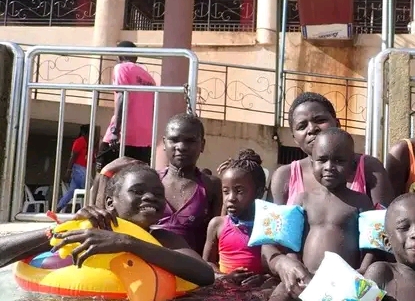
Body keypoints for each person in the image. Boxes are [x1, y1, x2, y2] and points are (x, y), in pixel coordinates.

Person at [0, 163, 214, 287]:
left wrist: (127, 242)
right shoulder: (89, 230)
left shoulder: (164, 239)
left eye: (158, 194)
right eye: (138, 191)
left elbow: (205, 275)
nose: (150, 197)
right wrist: (69, 227)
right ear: (110, 202)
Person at [265, 129, 375, 301]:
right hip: (305, 275)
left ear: (352, 166)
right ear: (312, 163)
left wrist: (362, 271)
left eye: (339, 161)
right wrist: (295, 266)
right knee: (277, 299)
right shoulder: (303, 199)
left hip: (344, 279)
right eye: (322, 160)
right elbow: (291, 242)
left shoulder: (360, 201)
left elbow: (372, 245)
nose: (329, 167)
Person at [269, 92, 393, 207]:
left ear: (337, 124)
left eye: (320, 120)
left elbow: (382, 220)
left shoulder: (368, 168)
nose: (312, 129)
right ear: (294, 138)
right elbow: (273, 222)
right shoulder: (284, 176)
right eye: (302, 126)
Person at [155, 114, 222, 254]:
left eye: (190, 141)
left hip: (192, 265)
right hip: (148, 263)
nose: (181, 147)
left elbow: (216, 239)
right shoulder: (151, 181)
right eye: (174, 140)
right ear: (164, 143)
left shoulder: (212, 186)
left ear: (202, 145)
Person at [95, 40, 157, 171]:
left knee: (103, 172)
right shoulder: (149, 78)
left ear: (120, 54)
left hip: (124, 133)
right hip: (144, 139)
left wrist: (115, 131)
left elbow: (122, 97)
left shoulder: (121, 68)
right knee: (135, 177)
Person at [203, 150, 266, 274]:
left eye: (239, 191)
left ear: (259, 192)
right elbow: (207, 263)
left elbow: (274, 265)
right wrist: (225, 278)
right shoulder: (217, 225)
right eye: (226, 191)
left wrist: (263, 279)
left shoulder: (267, 226)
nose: (231, 198)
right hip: (224, 285)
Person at [56, 124, 90, 212]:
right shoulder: (80, 141)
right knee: (90, 189)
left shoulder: (87, 142)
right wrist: (68, 171)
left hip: (82, 168)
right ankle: (91, 210)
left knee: (71, 192)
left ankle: (57, 209)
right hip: (79, 168)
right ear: (85, 133)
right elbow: (73, 156)